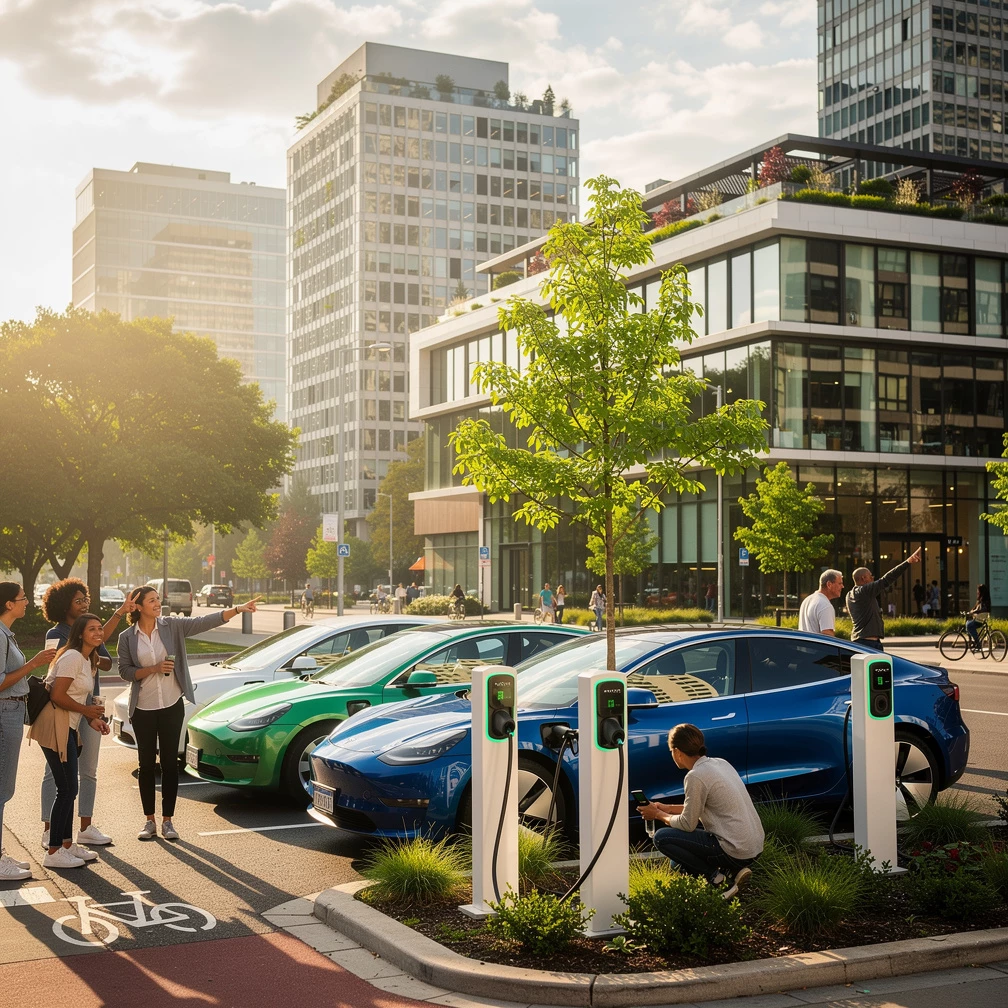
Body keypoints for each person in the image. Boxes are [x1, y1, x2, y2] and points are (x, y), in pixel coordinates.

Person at [118, 586, 258, 841]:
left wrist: (238, 609)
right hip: (143, 709)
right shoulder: (127, 637)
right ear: (138, 606)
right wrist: (153, 668)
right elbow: (125, 671)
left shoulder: (172, 626)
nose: (157, 603)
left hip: (171, 705)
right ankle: (149, 821)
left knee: (170, 764)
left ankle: (168, 822)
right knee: (146, 766)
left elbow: (205, 622)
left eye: (158, 599)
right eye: (151, 600)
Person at [39, 578, 131, 849]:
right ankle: (50, 830)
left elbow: (107, 662)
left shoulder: (90, 630)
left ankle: (85, 828)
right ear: (63, 605)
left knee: (89, 770)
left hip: (91, 709)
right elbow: (54, 666)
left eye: (85, 599)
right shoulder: (56, 633)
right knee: (55, 774)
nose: (83, 604)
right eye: (78, 601)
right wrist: (85, 651)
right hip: (63, 711)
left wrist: (92, 650)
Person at [639, 723, 763, 900]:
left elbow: (687, 824)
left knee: (662, 838)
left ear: (677, 752)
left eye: (671, 751)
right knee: (676, 863)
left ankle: (719, 880)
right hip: (753, 846)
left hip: (735, 849)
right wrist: (666, 808)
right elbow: (703, 807)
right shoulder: (720, 763)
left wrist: (658, 815)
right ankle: (733, 871)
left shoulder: (695, 776)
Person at [29, 614, 110, 869]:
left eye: (100, 628)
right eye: (92, 629)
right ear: (80, 634)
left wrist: (91, 719)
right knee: (66, 789)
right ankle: (53, 851)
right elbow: (57, 695)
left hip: (69, 726)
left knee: (68, 788)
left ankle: (66, 844)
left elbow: (79, 698)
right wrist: (86, 711)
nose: (98, 632)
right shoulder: (72, 657)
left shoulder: (88, 659)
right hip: (55, 724)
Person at [0, 583, 57, 880]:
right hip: (4, 711)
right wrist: (34, 663)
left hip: (11, 710)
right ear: (9, 604)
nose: (26, 602)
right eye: (22, 598)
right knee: (1, 789)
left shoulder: (6, 633)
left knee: (3, 788)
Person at [845, 548, 920, 650]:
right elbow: (886, 579)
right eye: (871, 576)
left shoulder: (850, 594)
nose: (873, 579)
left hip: (862, 640)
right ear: (863, 578)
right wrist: (908, 561)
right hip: (868, 643)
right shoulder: (864, 591)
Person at [797, 569, 843, 636]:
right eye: (840, 583)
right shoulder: (825, 605)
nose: (842, 586)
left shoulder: (807, 600)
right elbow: (828, 636)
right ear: (829, 584)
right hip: (814, 643)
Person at [966, 584, 991, 651]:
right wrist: (972, 611)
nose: (977, 592)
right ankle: (973, 641)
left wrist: (974, 612)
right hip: (981, 619)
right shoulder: (984, 599)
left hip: (979, 619)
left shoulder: (983, 600)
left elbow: (982, 609)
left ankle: (978, 643)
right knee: (968, 623)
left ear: (981, 591)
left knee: (969, 625)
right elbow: (976, 608)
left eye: (978, 591)